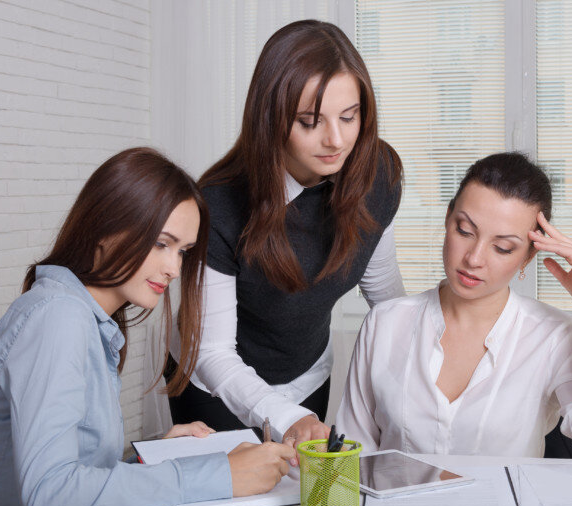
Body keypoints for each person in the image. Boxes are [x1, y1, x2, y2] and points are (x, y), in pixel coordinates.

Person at [0, 148, 296, 506]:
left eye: (183, 252)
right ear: (106, 228)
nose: (174, 268)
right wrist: (216, 473)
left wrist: (151, 456)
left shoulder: (85, 319)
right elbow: (50, 498)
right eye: (161, 243)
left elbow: (67, 474)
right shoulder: (58, 318)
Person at [165, 20, 405, 446]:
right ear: (271, 119)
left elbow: (387, 301)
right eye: (310, 122)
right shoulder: (219, 204)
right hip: (213, 385)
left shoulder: (377, 173)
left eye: (348, 117)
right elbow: (212, 352)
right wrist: (282, 416)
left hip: (307, 374)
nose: (335, 140)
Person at [337, 152, 572, 462]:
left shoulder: (553, 335)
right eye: (464, 231)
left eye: (502, 248)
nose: (474, 258)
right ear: (447, 219)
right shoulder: (385, 323)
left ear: (527, 256)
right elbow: (352, 454)